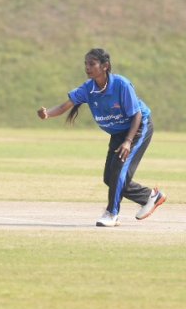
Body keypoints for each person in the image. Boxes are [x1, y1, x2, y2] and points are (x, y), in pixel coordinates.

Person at [37, 48, 166, 228]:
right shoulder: (88, 89)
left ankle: (112, 213)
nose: (87, 68)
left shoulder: (121, 85)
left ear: (105, 66)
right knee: (109, 178)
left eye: (92, 64)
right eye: (86, 64)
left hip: (137, 128)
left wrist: (128, 142)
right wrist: (47, 114)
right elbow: (64, 106)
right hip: (118, 132)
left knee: (119, 171)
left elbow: (136, 115)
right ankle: (149, 196)